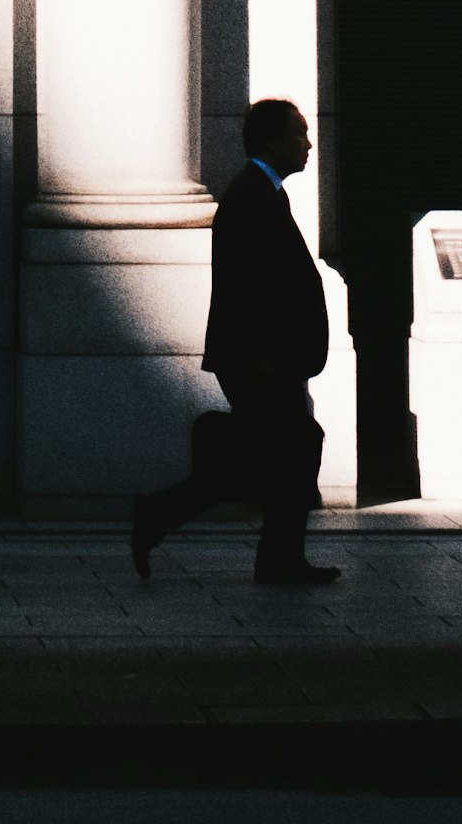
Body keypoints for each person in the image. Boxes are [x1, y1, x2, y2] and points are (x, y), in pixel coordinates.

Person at [129, 94, 339, 587]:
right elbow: (245, 287)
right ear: (270, 140)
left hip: (267, 359)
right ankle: (275, 558)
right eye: (298, 133)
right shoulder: (250, 196)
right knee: (295, 447)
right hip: (259, 361)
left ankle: (163, 515)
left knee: (271, 454)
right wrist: (258, 356)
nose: (308, 144)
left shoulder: (261, 193)